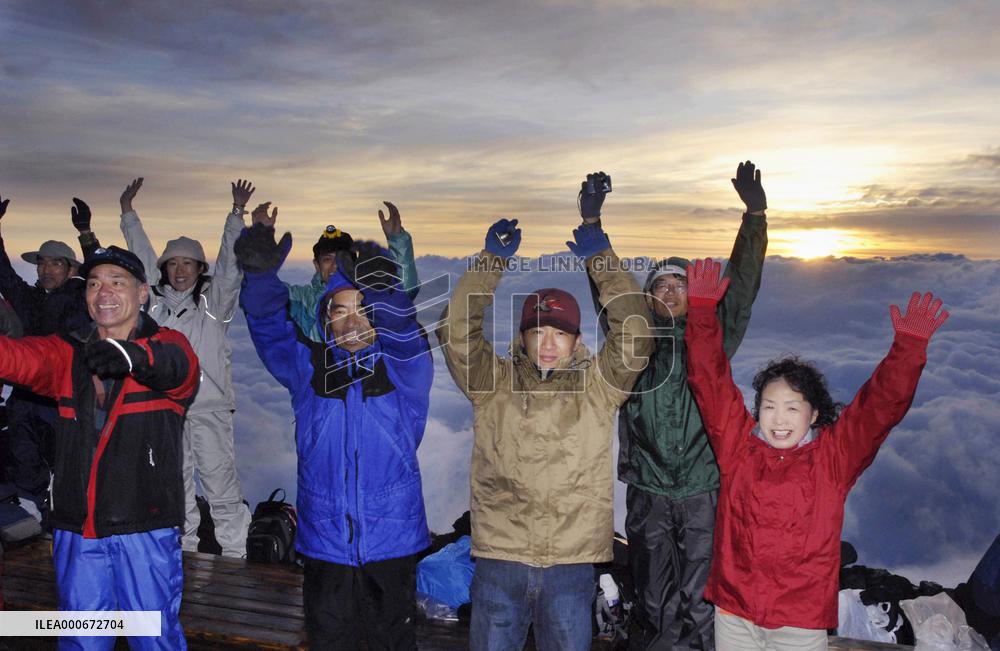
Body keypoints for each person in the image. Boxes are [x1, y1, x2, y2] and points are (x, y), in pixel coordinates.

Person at [683, 258, 948, 650]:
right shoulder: (738, 448)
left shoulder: (832, 459)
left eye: (793, 408)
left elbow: (878, 409)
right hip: (734, 614)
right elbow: (710, 382)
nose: (779, 419)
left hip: (799, 621)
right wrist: (702, 315)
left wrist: (907, 350)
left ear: (813, 414)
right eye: (769, 407)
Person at [438, 190, 654, 650]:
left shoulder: (599, 386)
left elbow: (636, 333)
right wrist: (490, 263)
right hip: (500, 559)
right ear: (522, 337)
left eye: (561, 333)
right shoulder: (491, 382)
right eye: (538, 331)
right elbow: (456, 332)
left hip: (570, 566)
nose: (549, 343)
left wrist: (601, 258)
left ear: (576, 341)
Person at [585, 163, 768, 649]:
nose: (669, 292)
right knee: (652, 592)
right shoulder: (633, 343)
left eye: (679, 285)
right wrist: (592, 228)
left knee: (703, 593)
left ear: (695, 295)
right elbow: (608, 293)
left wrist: (754, 218)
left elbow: (742, 287)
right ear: (647, 299)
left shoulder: (712, 338)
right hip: (647, 487)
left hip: (703, 485)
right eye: (660, 286)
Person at [236, 220, 433, 650]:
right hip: (324, 545)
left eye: (363, 308)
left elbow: (403, 336)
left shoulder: (405, 369)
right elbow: (270, 330)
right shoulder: (308, 369)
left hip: (391, 544)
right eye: (339, 311)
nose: (352, 322)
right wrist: (261, 281)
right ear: (325, 320)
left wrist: (385, 292)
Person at [0, 245, 199, 650]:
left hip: (144, 527)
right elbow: (17, 358)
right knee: (81, 640)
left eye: (117, 282)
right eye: (93, 284)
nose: (103, 292)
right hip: (78, 530)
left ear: (142, 293)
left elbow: (178, 368)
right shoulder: (68, 352)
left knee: (153, 639)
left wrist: (131, 356)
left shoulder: (168, 345)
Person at [118, 177, 252, 558]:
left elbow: (230, 266)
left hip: (208, 408)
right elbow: (142, 257)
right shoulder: (154, 304)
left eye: (187, 263)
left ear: (199, 268)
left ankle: (237, 556)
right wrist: (128, 212)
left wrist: (237, 214)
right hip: (166, 408)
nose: (179, 270)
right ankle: (183, 554)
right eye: (173, 263)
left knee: (221, 486)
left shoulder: (215, 303)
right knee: (173, 485)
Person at [0, 193, 104, 519]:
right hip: (25, 398)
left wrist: (86, 234)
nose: (46, 269)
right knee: (24, 464)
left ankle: (69, 523)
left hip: (65, 398)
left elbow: (102, 273)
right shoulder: (29, 299)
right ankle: (36, 522)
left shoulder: (81, 298)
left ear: (71, 269)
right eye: (42, 262)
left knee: (69, 468)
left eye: (55, 263)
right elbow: (4, 274)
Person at [287, 200, 421, 343]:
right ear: (317, 265)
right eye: (327, 259)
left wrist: (398, 239)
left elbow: (403, 290)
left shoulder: (369, 294)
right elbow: (270, 295)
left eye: (341, 258)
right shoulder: (301, 300)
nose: (335, 265)